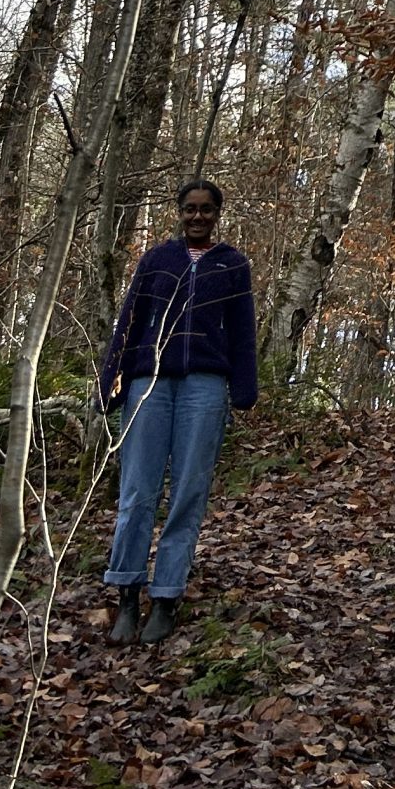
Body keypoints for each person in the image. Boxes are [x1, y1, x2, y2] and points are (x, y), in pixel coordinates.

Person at [97, 178, 257, 645]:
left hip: (205, 387)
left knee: (188, 492)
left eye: (207, 210)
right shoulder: (157, 260)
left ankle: (166, 596)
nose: (198, 217)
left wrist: (244, 389)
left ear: (218, 214)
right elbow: (129, 319)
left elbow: (242, 331)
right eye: (190, 209)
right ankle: (127, 592)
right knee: (137, 492)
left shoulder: (232, 265)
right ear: (179, 212)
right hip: (150, 382)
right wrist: (112, 380)